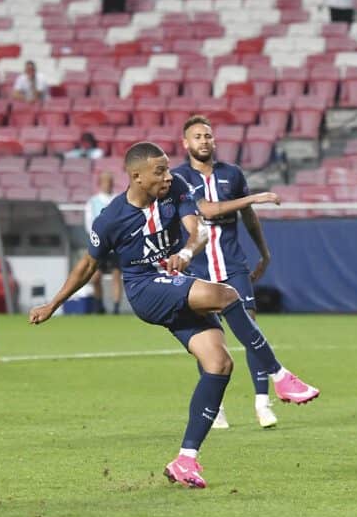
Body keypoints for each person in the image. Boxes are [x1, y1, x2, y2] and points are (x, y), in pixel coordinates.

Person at [30, 142, 310, 488]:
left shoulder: (175, 188)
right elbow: (87, 265)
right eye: (159, 171)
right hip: (146, 290)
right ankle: (279, 375)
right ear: (136, 177)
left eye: (166, 168)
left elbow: (197, 233)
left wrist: (186, 251)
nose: (167, 175)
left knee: (219, 364)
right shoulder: (111, 220)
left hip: (174, 280)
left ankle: (185, 460)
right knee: (226, 295)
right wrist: (53, 305)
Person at [171, 116, 320, 430]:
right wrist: (254, 197)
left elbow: (249, 218)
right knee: (209, 337)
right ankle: (217, 407)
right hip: (198, 267)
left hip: (233, 264)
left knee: (250, 327)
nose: (204, 141)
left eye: (208, 136)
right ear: (186, 143)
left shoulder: (232, 174)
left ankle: (262, 404)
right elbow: (207, 210)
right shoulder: (179, 179)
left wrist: (264, 252)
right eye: (197, 136)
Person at [84, 170, 123, 314]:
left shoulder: (118, 200)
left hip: (115, 245)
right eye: (105, 181)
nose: (108, 184)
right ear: (100, 183)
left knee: (116, 275)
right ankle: (99, 305)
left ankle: (116, 308)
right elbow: (89, 224)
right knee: (95, 276)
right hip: (100, 244)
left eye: (110, 181)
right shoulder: (92, 202)